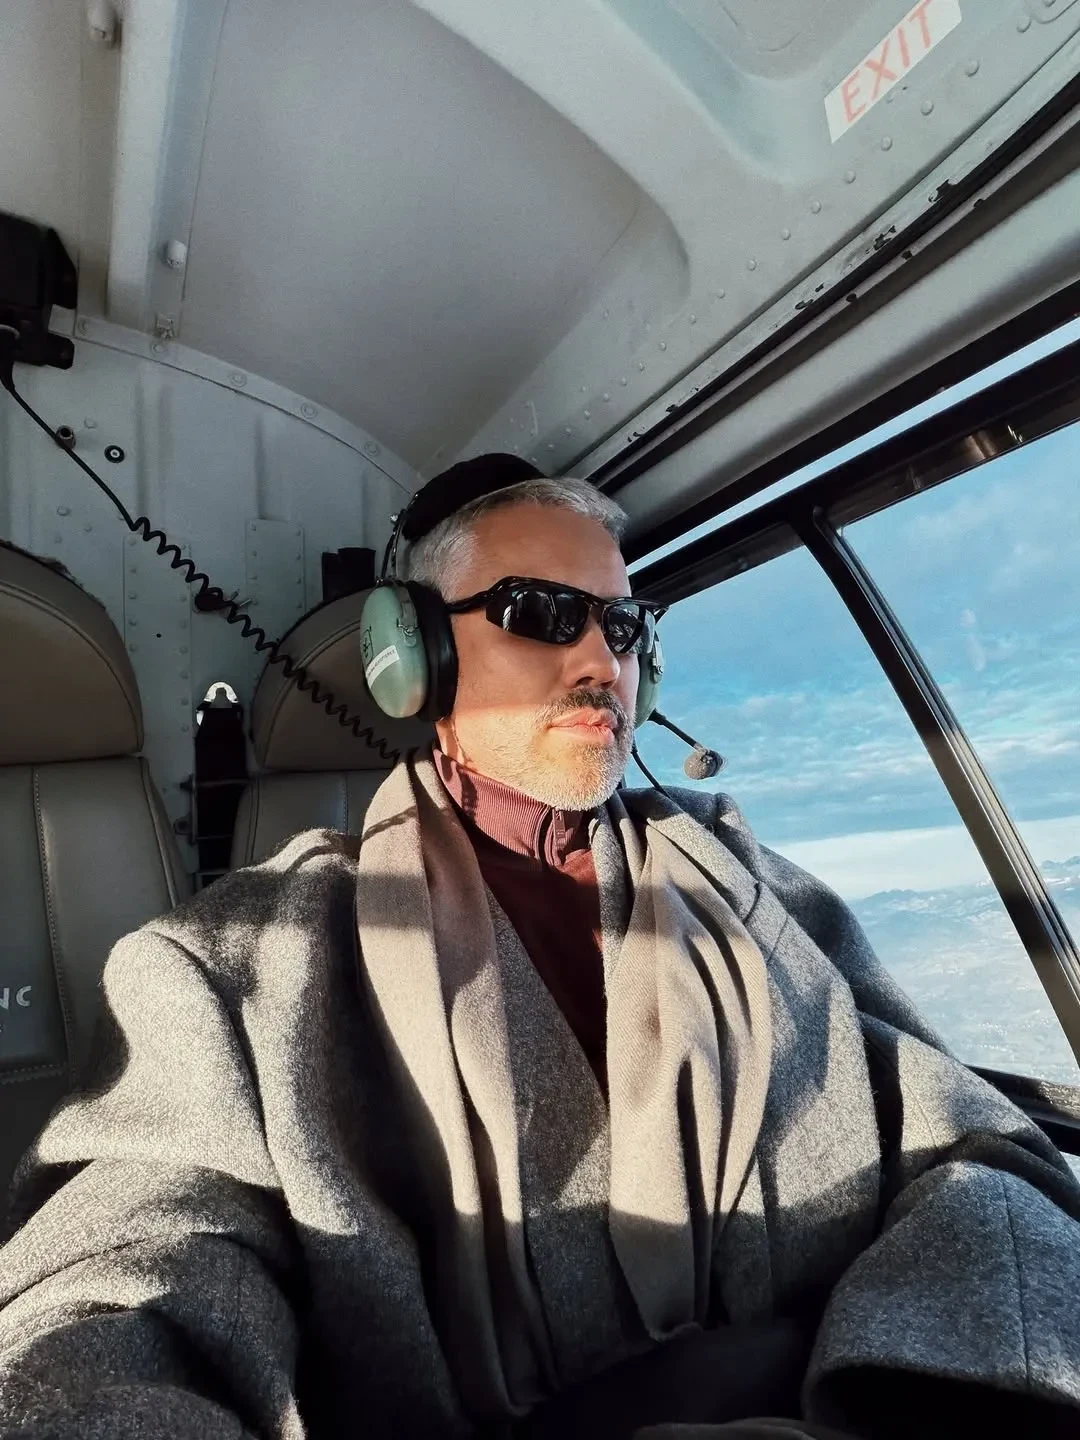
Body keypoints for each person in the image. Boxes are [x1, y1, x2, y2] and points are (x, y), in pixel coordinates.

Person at [1, 455, 1078, 1440]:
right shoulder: (233, 961)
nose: (602, 661)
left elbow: (978, 1151)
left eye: (624, 625)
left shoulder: (752, 885)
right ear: (415, 660)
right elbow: (123, 1281)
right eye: (543, 613)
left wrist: (917, 1397)